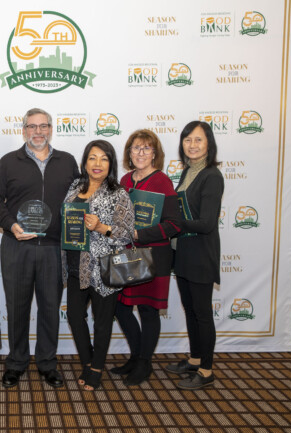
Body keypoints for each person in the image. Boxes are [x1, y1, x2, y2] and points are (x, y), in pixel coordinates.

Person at [0, 108, 79, 389]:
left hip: (53, 248)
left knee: (51, 308)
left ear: (51, 129)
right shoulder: (8, 162)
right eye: (32, 127)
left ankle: (48, 363)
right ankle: (16, 363)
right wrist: (9, 224)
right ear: (23, 130)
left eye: (43, 126)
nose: (38, 132)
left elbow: (78, 199)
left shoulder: (67, 161)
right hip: (17, 247)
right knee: (17, 308)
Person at [61, 140, 135, 391]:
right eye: (92, 158)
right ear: (84, 162)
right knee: (74, 316)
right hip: (74, 264)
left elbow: (126, 235)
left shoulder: (119, 193)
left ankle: (95, 369)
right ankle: (88, 361)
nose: (97, 164)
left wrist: (101, 227)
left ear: (111, 164)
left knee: (102, 322)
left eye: (104, 158)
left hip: (103, 268)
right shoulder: (74, 186)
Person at [112, 129, 181, 386]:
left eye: (146, 148)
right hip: (128, 254)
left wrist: (141, 234)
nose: (141, 153)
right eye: (136, 148)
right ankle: (136, 357)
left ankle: (144, 363)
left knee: (148, 311)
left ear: (155, 153)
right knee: (122, 307)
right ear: (129, 153)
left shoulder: (162, 181)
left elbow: (174, 224)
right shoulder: (125, 180)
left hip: (154, 255)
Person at [163, 121, 224, 390]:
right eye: (188, 140)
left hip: (200, 255)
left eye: (198, 140)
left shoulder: (211, 175)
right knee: (191, 311)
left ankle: (207, 371)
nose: (193, 145)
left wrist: (173, 222)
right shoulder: (188, 172)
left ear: (208, 143)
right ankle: (195, 358)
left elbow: (207, 223)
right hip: (184, 254)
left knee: (202, 314)